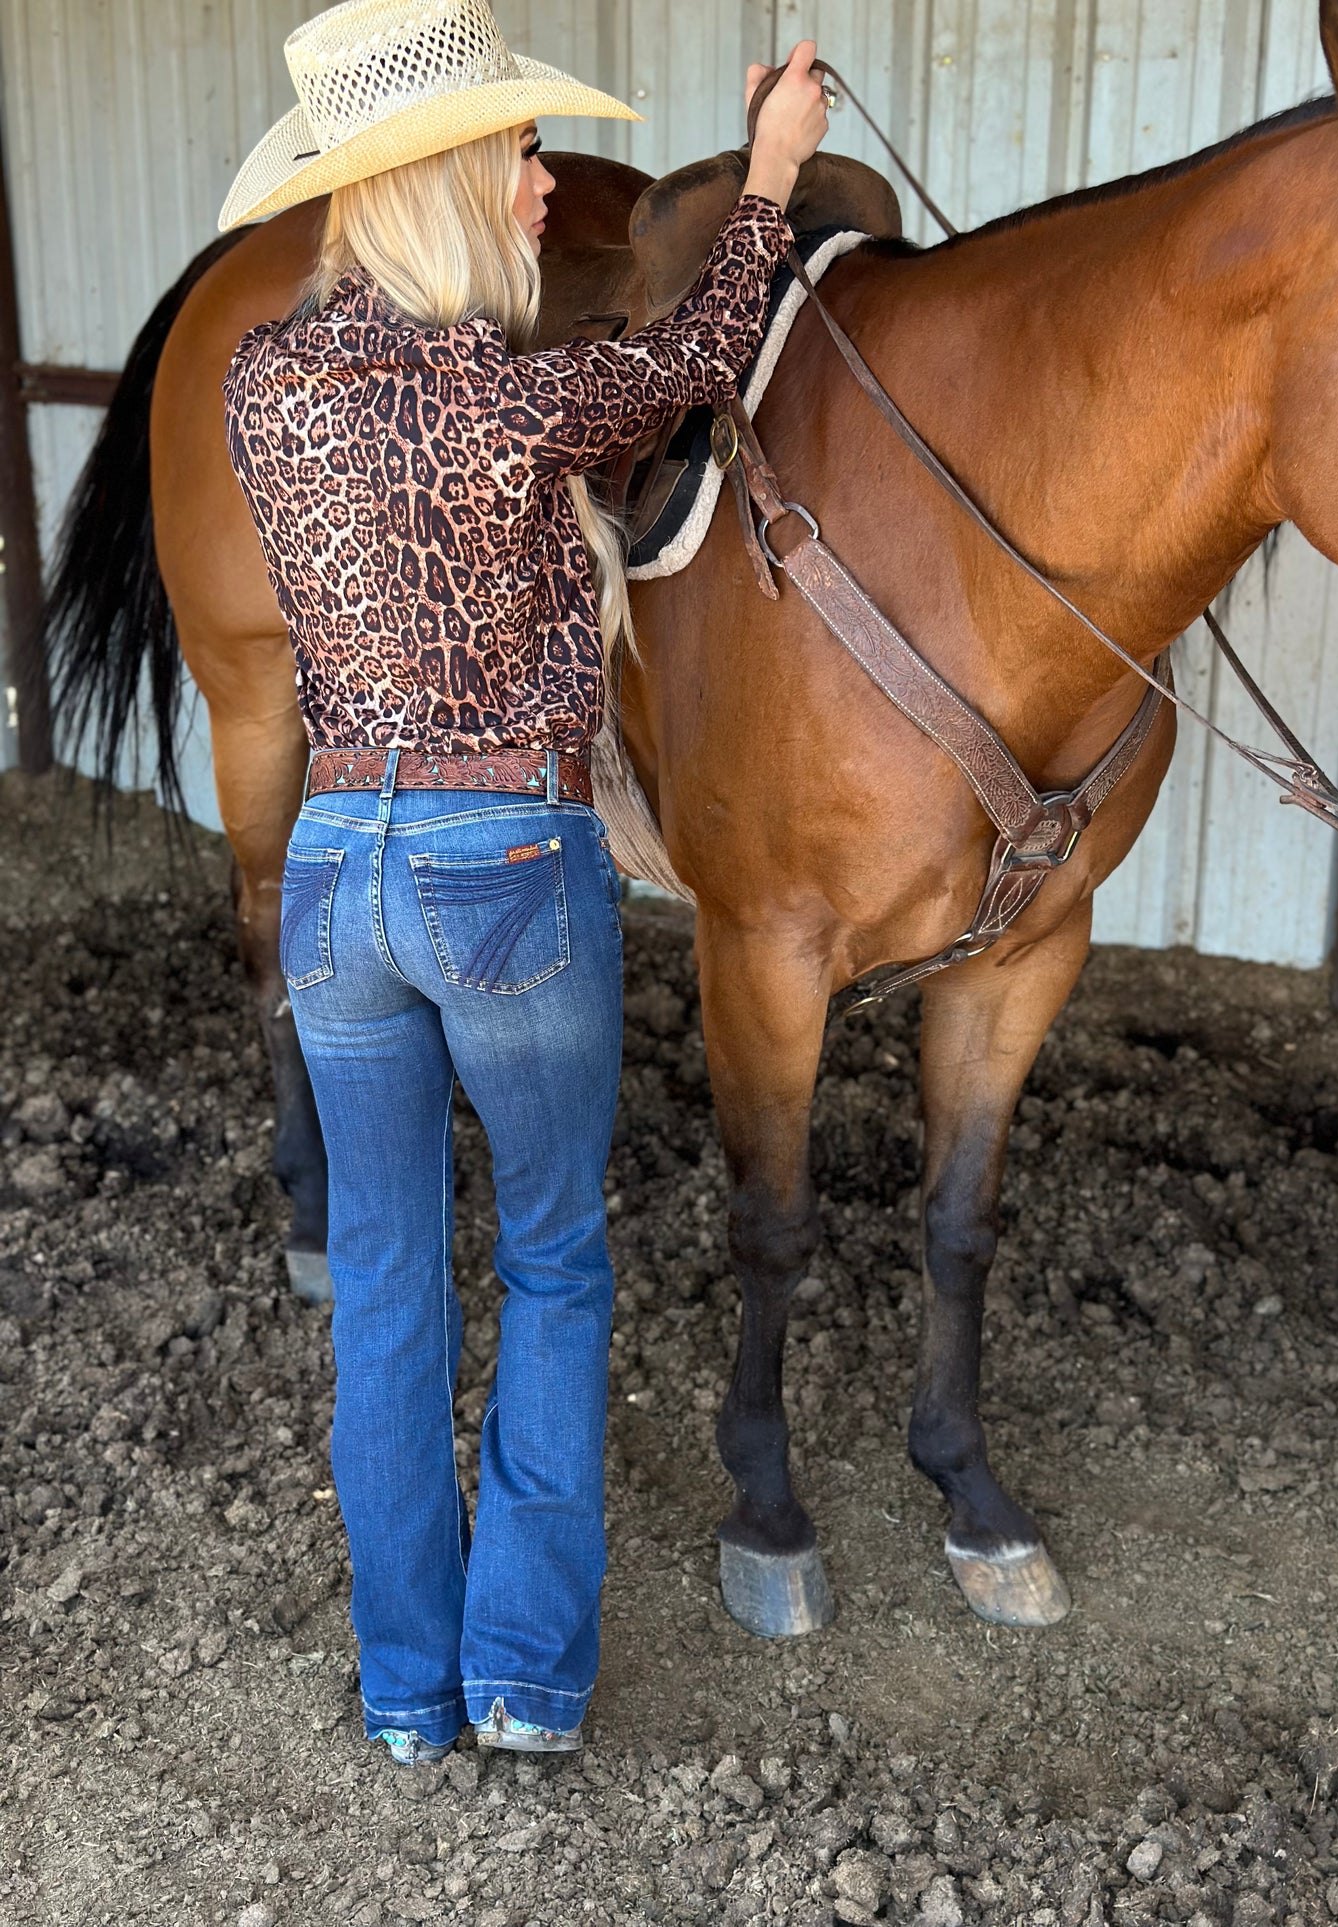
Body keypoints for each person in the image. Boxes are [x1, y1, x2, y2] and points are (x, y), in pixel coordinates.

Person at [220, 0, 829, 1764]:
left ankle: (407, 1694)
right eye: (516, 153)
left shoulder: (264, 385)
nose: (545, 181)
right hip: (501, 860)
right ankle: (524, 1682)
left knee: (394, 1283)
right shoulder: (504, 405)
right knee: (555, 1261)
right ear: (435, 184)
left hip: (338, 868)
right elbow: (712, 345)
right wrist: (771, 174)